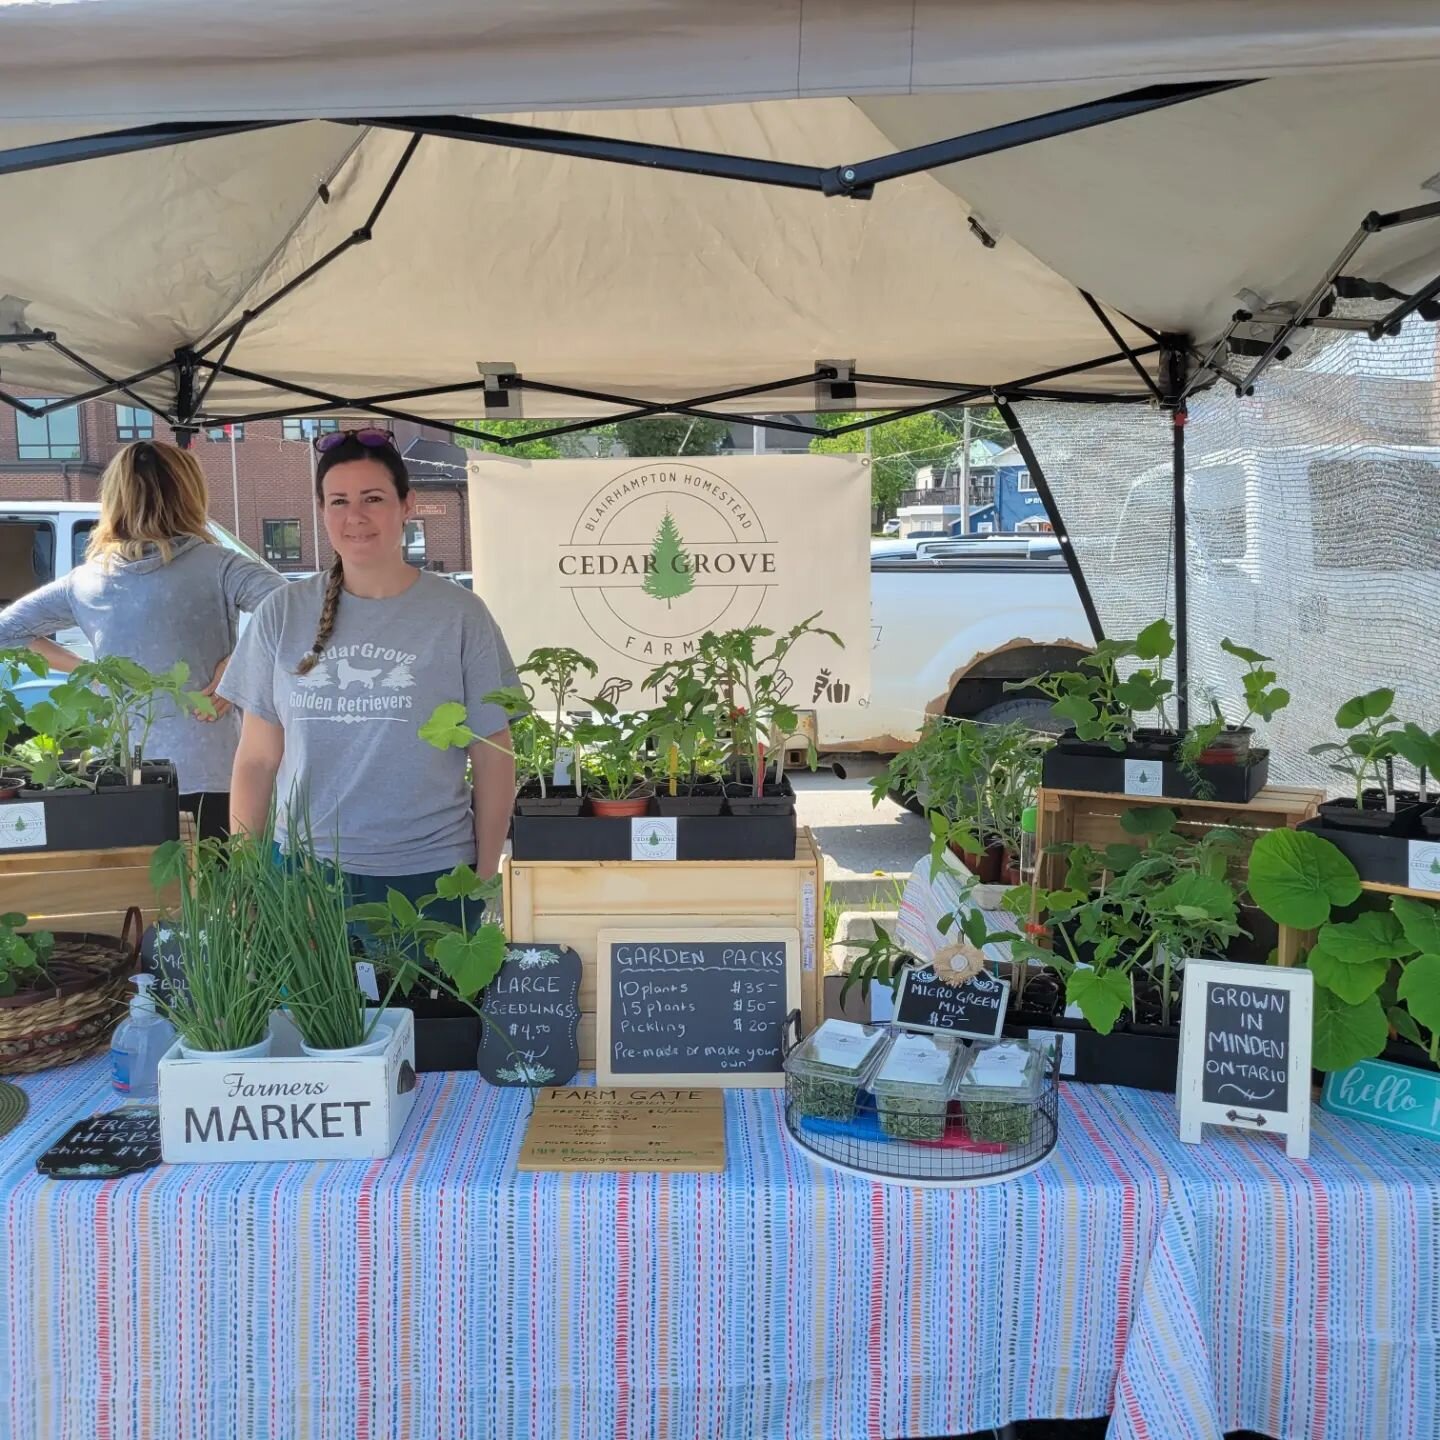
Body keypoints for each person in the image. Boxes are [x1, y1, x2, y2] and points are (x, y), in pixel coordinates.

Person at [219, 429, 516, 913]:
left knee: (432, 995)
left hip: (432, 875)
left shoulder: (460, 615)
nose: (355, 516)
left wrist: (484, 877)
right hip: (302, 876)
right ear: (321, 511)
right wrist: (246, 878)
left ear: (407, 504)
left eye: (373, 498)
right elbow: (256, 760)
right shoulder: (282, 613)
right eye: (338, 501)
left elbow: (493, 754)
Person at [0, 440, 285, 840]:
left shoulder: (87, 582)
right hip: (214, 770)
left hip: (120, 777)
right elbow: (299, 612)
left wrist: (87, 671)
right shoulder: (219, 566)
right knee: (223, 896)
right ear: (190, 493)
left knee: (138, 894)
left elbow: (7, 632)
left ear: (113, 497)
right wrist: (239, 662)